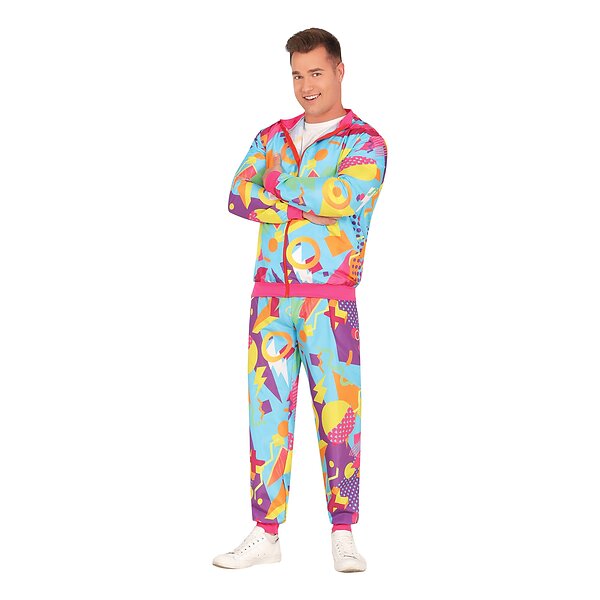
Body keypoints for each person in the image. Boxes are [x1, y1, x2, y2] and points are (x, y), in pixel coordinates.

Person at [212, 27, 387, 573]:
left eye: (316, 72)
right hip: (269, 298)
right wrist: (307, 201)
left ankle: (343, 532)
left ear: (339, 71)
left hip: (330, 301)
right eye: (297, 75)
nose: (306, 85)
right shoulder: (273, 136)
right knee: (266, 418)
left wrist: (279, 187)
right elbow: (238, 195)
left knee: (339, 415)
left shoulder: (365, 143)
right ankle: (266, 533)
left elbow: (343, 195)